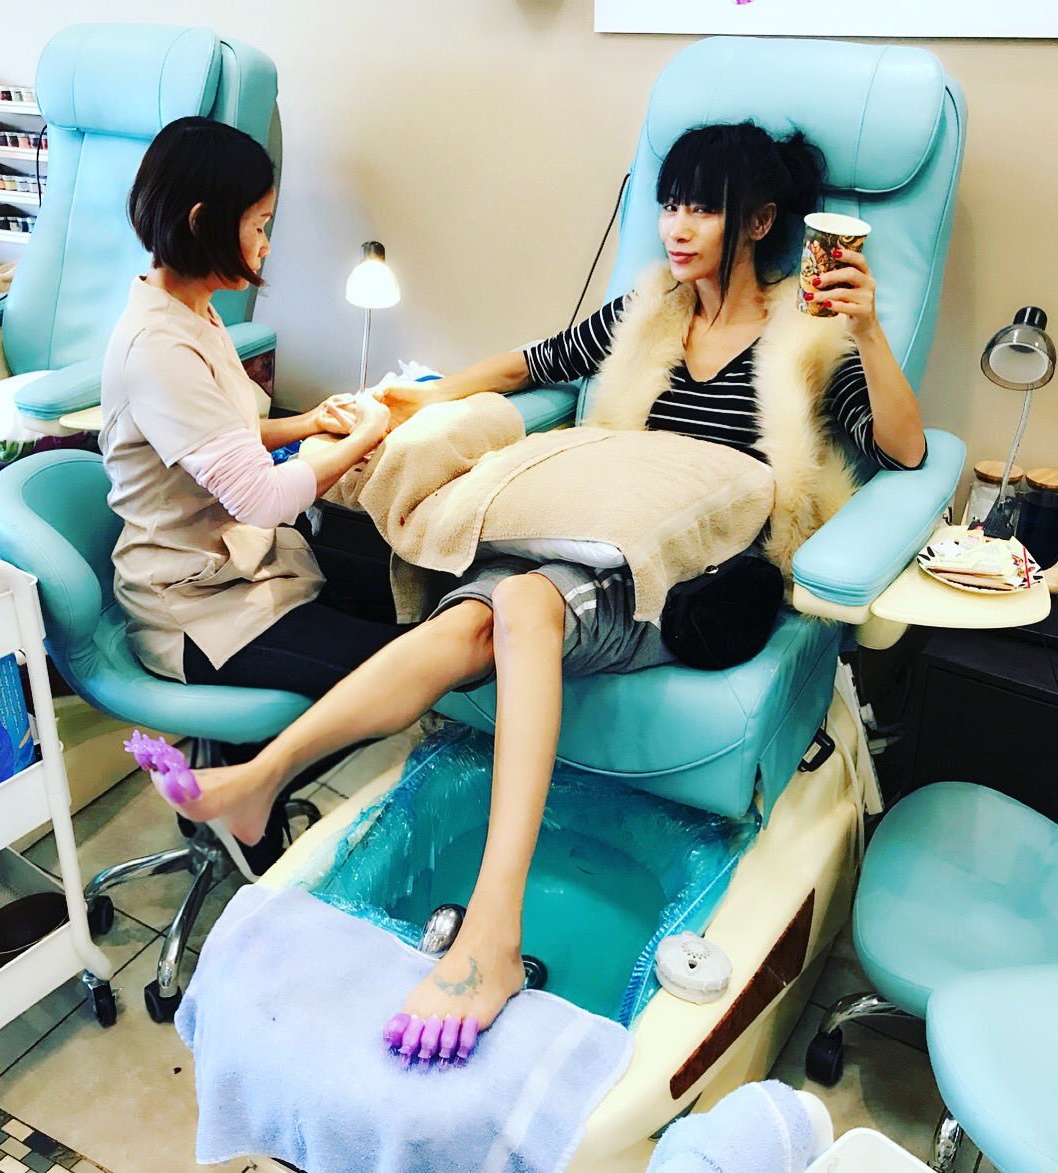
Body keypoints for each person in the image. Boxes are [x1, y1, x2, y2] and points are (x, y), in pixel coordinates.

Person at [144, 122, 927, 1038]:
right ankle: (260, 778)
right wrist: (415, 399)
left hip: (689, 581)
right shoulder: (652, 313)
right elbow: (532, 362)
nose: (675, 228)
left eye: (702, 209)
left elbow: (903, 449)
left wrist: (866, 331)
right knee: (457, 624)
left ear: (757, 221)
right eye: (669, 205)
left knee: (518, 600)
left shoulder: (804, 340)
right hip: (594, 535)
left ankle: (493, 932)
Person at [101, 117, 398, 701]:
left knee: (414, 593)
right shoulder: (158, 348)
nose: (267, 244)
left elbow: (221, 439)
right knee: (404, 662)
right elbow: (261, 500)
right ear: (202, 223)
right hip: (194, 609)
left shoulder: (195, 312)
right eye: (259, 225)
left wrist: (311, 422)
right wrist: (367, 433)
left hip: (238, 566)